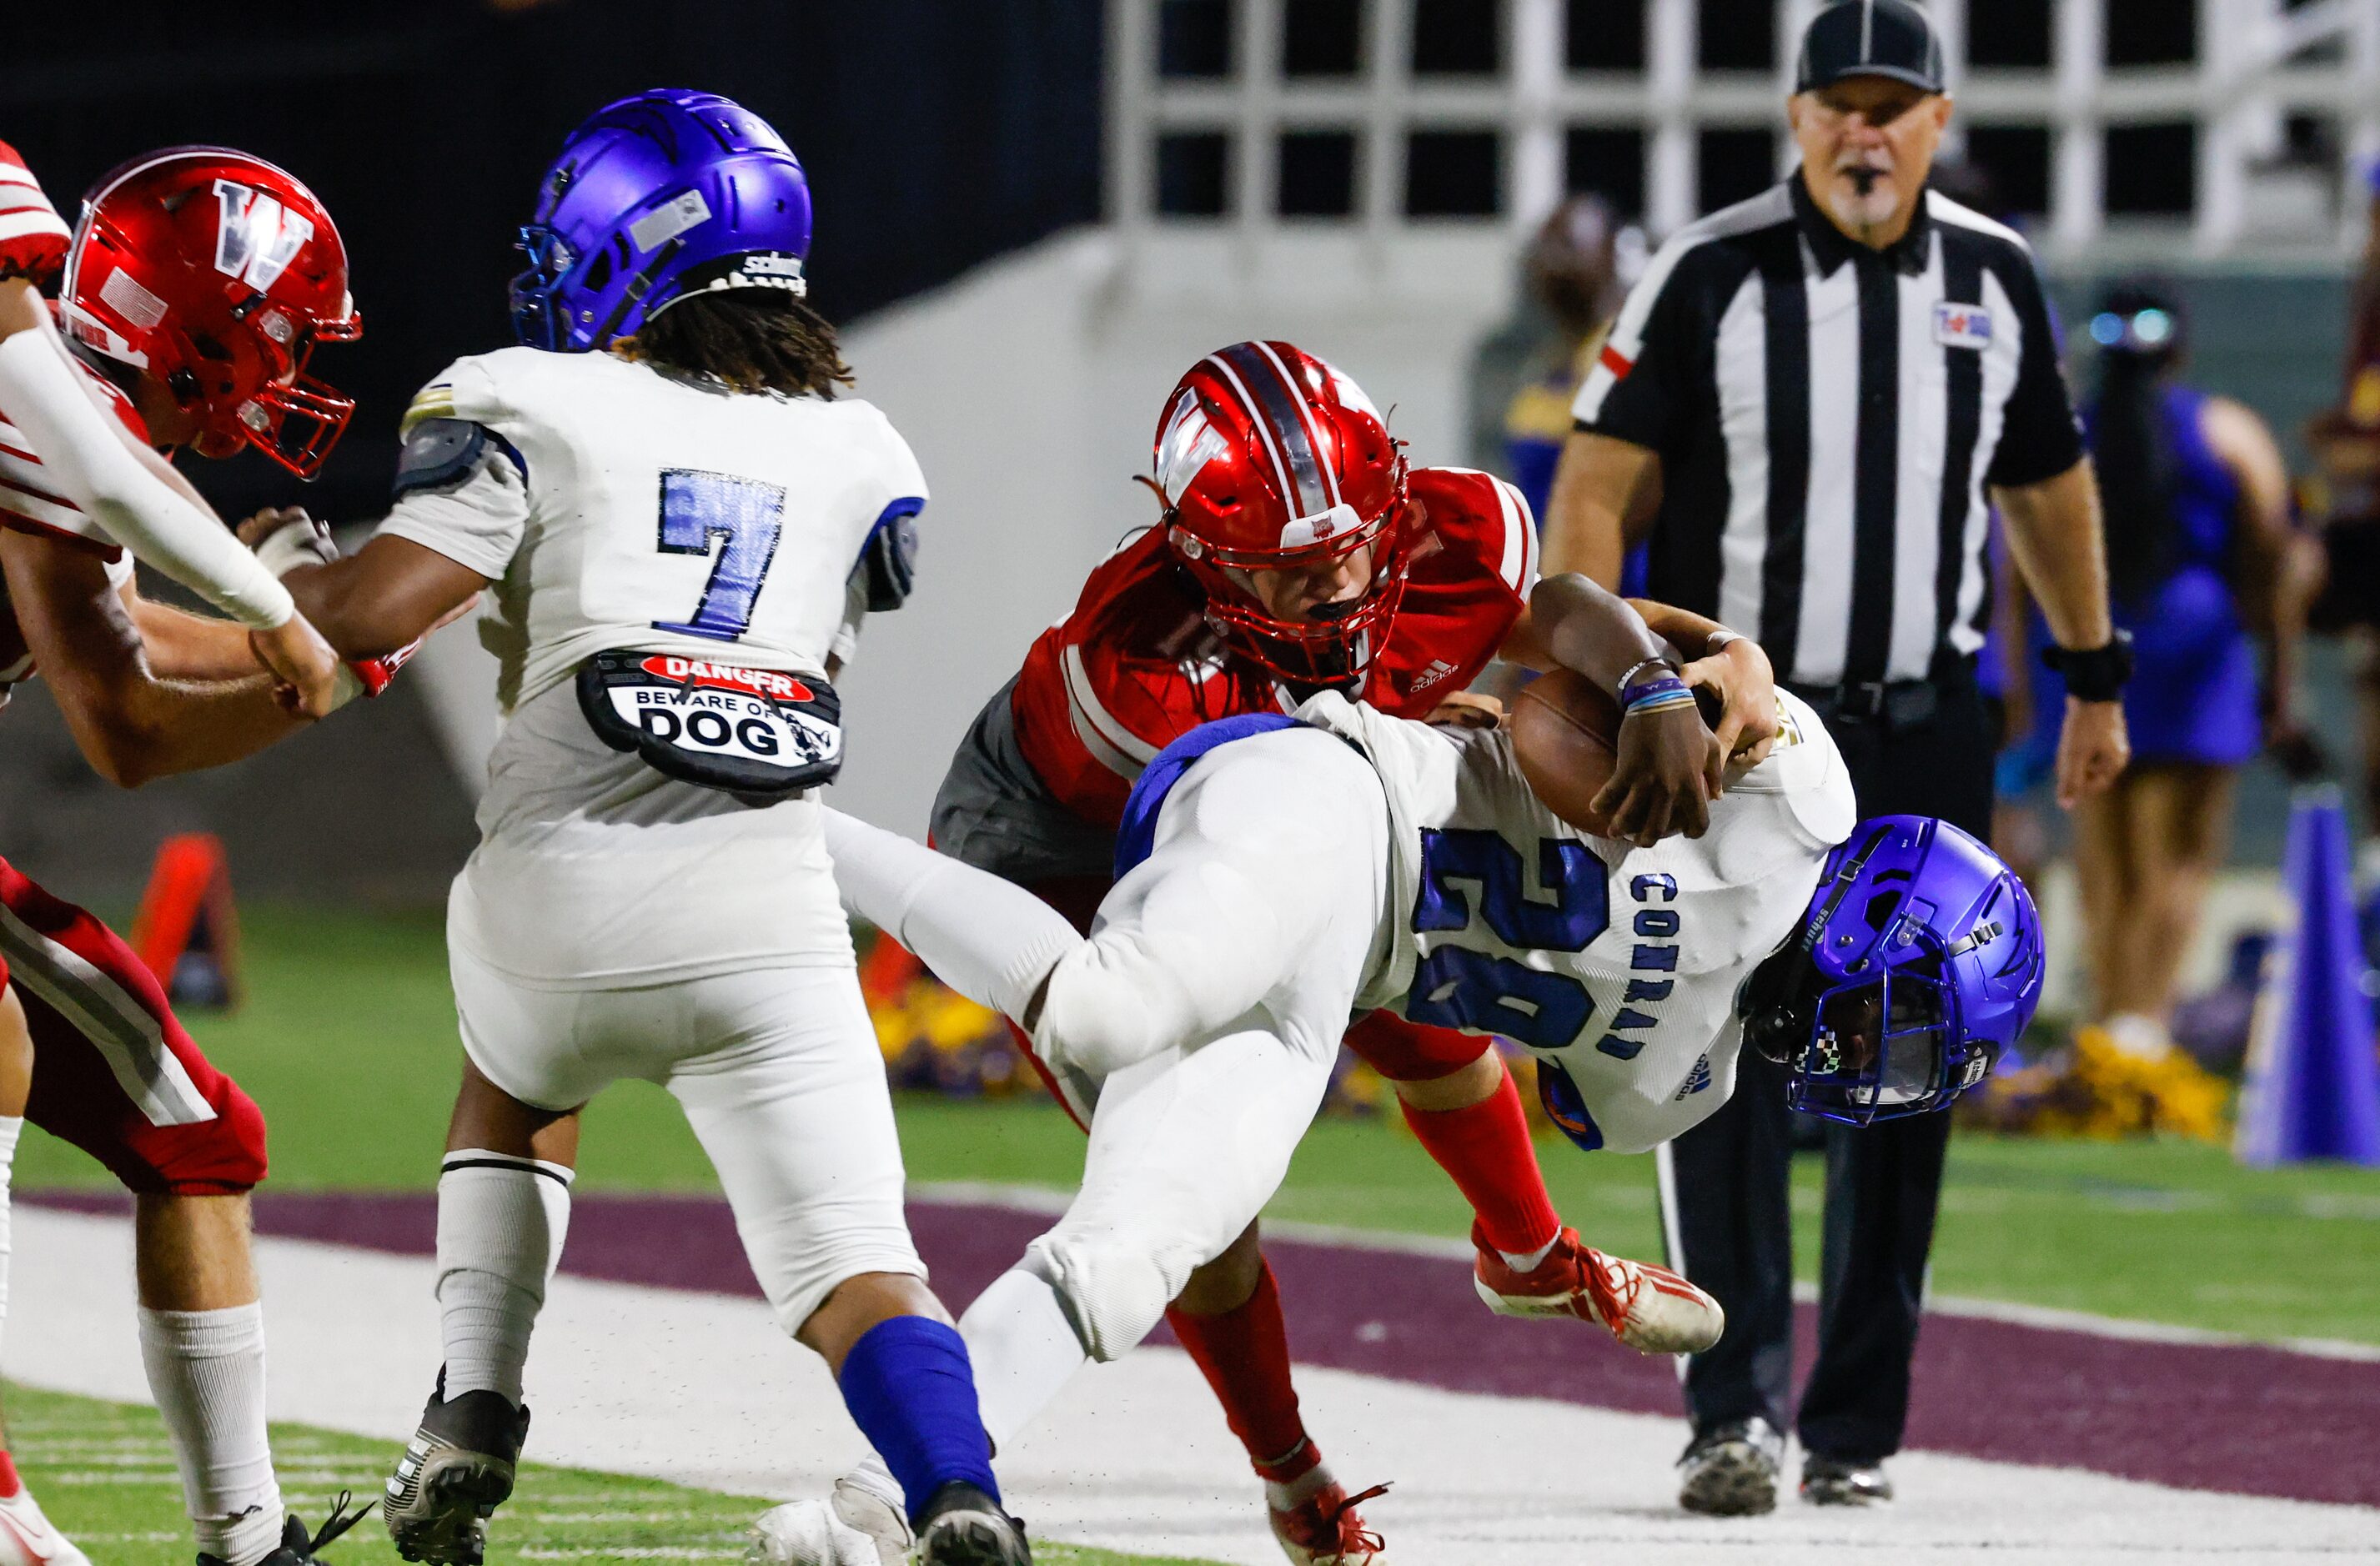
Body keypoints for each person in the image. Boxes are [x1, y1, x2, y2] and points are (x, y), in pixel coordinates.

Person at [797, 572, 2037, 1562]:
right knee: (1109, 1010)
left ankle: (881, 1500)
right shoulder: (1797, 790)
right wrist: (1685, 674)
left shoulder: (1682, 1088)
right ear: (1884, 912)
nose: (1867, 1059)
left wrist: (1530, 1250)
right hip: (1334, 804)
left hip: (1346, 974)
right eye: (1896, 1023)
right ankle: (778, 819)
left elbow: (1481, 1062)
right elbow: (1589, 624)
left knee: (1132, 1253)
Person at [254, 90, 1028, 1566]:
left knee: (510, 1072)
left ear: (623, 250)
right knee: (862, 1267)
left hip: (553, 898)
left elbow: (369, 625)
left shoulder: (529, 400)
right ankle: (958, 1491)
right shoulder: (864, 448)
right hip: (769, 918)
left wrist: (271, 565)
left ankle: (472, 1406)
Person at [887, 339, 1773, 1564]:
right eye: (1297, 567)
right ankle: (1291, 1473)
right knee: (1196, 1183)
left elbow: (1550, 607)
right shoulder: (1138, 662)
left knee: (1432, 1014)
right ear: (1202, 557)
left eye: (1358, 535)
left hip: (1276, 788)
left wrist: (1660, 682)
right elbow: (1261, 839)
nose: (1345, 573)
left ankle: (1524, 1250)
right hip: (1074, 849)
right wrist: (1403, 724)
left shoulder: (1431, 524)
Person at [1540, 0, 2129, 1514]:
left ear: (1937, 122)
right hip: (1744, 724)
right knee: (1712, 1044)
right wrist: (1613, 675)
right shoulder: (1704, 270)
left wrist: (2088, 675)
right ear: (1795, 117)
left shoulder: (1992, 281)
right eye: (1837, 105)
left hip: (1925, 715)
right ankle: (1726, 1405)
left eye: (1893, 106)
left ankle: (1855, 1421)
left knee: (1918, 1048)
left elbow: (2047, 487)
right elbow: (1596, 489)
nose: (1863, 132)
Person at [0, 144, 377, 1566]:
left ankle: (248, 1540)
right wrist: (301, 646)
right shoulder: (43, 403)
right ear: (203, 325)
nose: (286, 374)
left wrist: (319, 645)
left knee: (188, 1125)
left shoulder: (68, 398)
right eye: (276, 339)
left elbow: (120, 631)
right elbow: (127, 723)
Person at [2013, 282, 2315, 1052]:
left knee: (2101, 843)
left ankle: (2105, 1018)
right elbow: (2273, 558)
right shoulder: (2226, 430)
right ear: (2178, 349)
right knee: (2178, 850)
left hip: (2083, 638)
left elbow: (2018, 565)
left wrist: (2020, 685)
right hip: (2194, 646)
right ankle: (2144, 1021)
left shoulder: (2063, 430)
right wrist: (2281, 688)